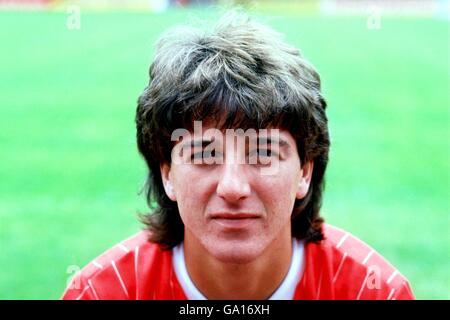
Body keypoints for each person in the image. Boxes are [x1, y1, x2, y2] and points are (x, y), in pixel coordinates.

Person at [62, 12, 414, 300]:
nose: (233, 187)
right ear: (166, 172)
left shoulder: (375, 293)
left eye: (263, 153)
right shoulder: (100, 293)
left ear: (305, 170)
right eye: (204, 154)